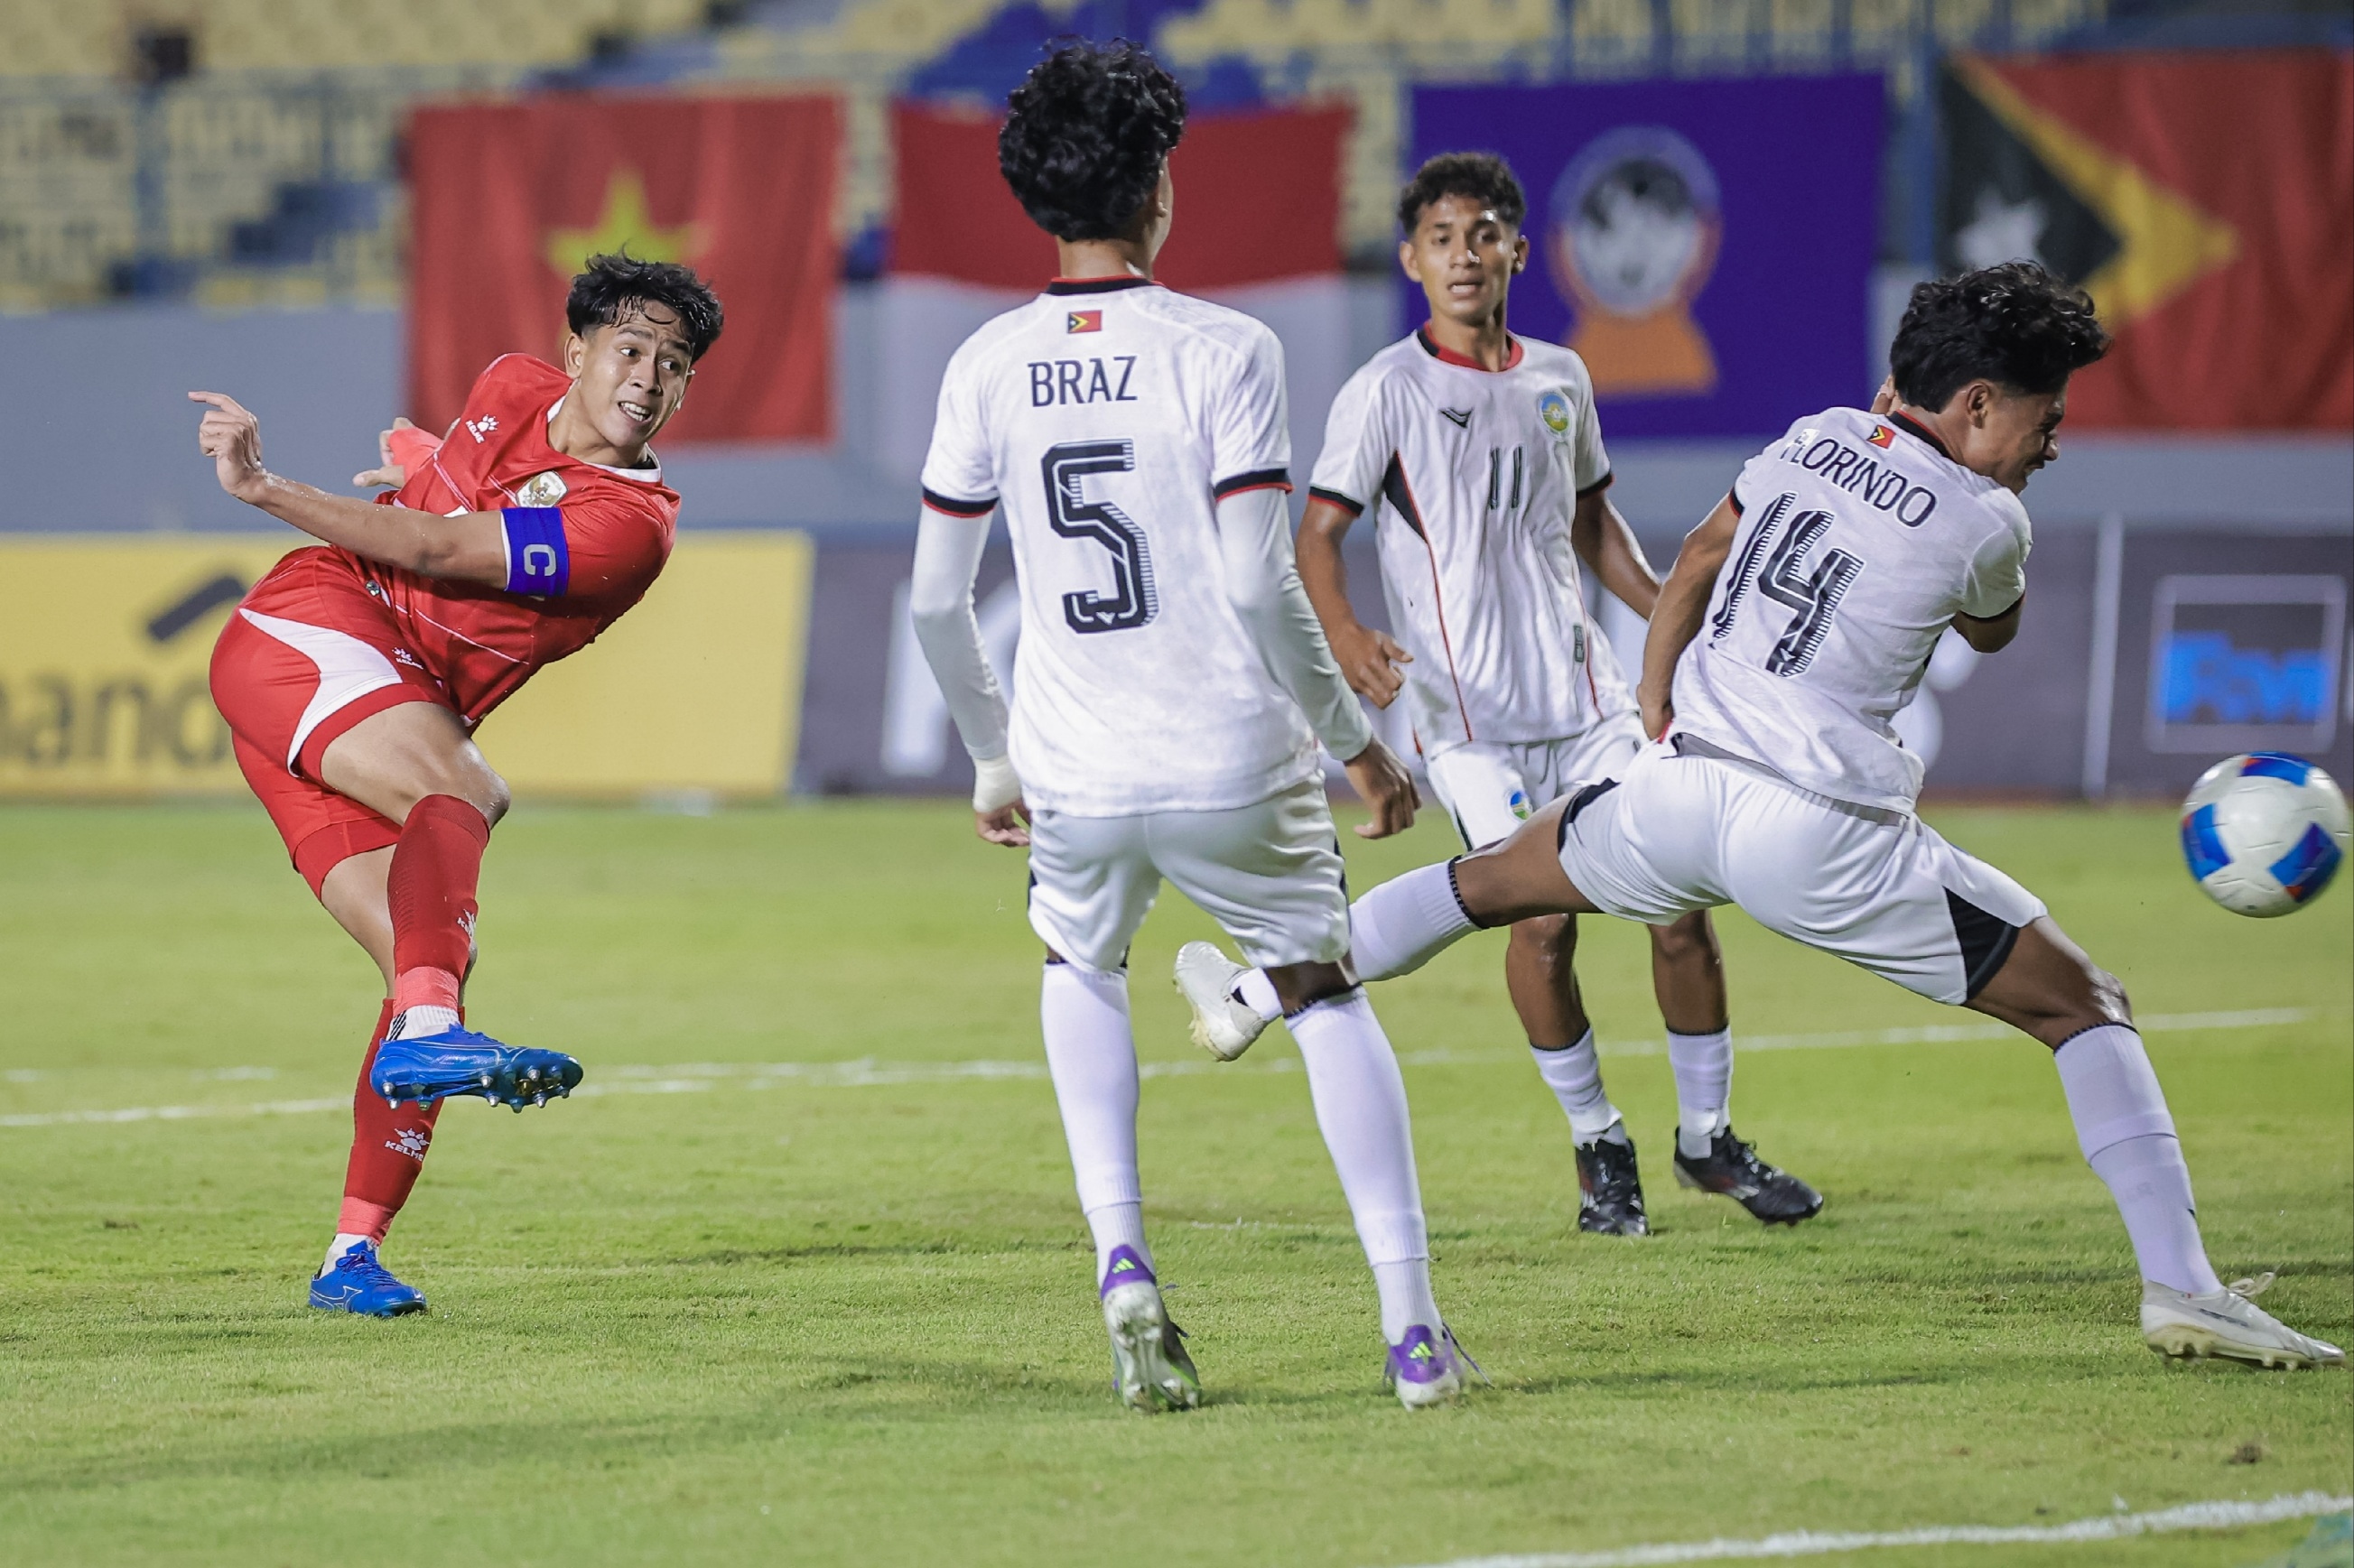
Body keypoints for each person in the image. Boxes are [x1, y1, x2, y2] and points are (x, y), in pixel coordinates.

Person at [1275, 261, 2342, 1369]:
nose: (2053, 440)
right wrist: (1989, 499)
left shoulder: (1811, 433)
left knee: (1485, 883)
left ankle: (1264, 984)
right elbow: (1991, 633)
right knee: (2085, 1004)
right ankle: (2184, 1287)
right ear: (1976, 403)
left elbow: (1694, 556)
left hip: (1678, 789)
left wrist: (1655, 704)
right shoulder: (1989, 521)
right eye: (2045, 413)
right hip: (1819, 830)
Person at [910, 39, 1471, 1410]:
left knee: (1076, 967)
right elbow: (1248, 574)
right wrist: (1351, 743)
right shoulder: (1225, 348)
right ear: (1156, 188)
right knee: (1325, 995)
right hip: (1230, 755)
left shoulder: (985, 361)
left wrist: (992, 754)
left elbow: (937, 599)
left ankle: (1121, 1268)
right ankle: (1409, 1334)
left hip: (1076, 771)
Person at [1174, 153, 1819, 1237]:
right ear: (1412, 260)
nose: (1464, 255)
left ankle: (1707, 1141)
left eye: (1483, 234)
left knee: (1680, 900)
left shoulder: (1562, 377)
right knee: (1547, 918)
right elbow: (1318, 533)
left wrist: (1670, 609)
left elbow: (1591, 523)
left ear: (1519, 250)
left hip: (1591, 705)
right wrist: (1342, 632)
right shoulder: (1385, 389)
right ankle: (1597, 1142)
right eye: (1441, 237)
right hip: (1471, 728)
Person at [194, 254, 724, 1319]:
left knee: (427, 959)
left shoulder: (630, 526)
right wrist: (404, 464)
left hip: (357, 703)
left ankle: (351, 1254)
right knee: (466, 791)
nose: (649, 378)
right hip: (306, 633)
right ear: (575, 352)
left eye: (674, 365)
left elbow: (442, 542)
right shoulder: (511, 384)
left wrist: (323, 489)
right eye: (630, 348)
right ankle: (435, 1042)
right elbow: (445, 508)